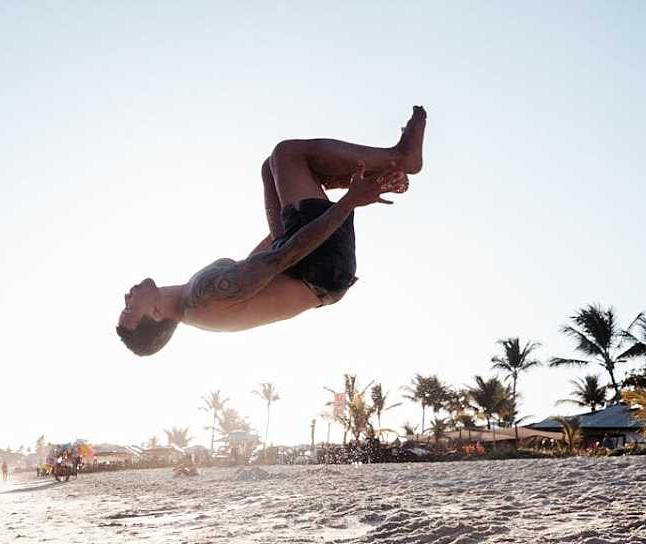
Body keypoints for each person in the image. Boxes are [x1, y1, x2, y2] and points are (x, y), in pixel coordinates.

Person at [116, 106, 426, 356]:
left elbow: (271, 250)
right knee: (287, 154)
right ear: (156, 313)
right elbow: (284, 256)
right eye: (130, 307)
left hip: (310, 266)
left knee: (271, 168)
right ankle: (399, 161)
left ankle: (385, 176)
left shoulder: (194, 298)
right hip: (316, 266)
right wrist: (348, 203)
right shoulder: (204, 296)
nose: (128, 295)